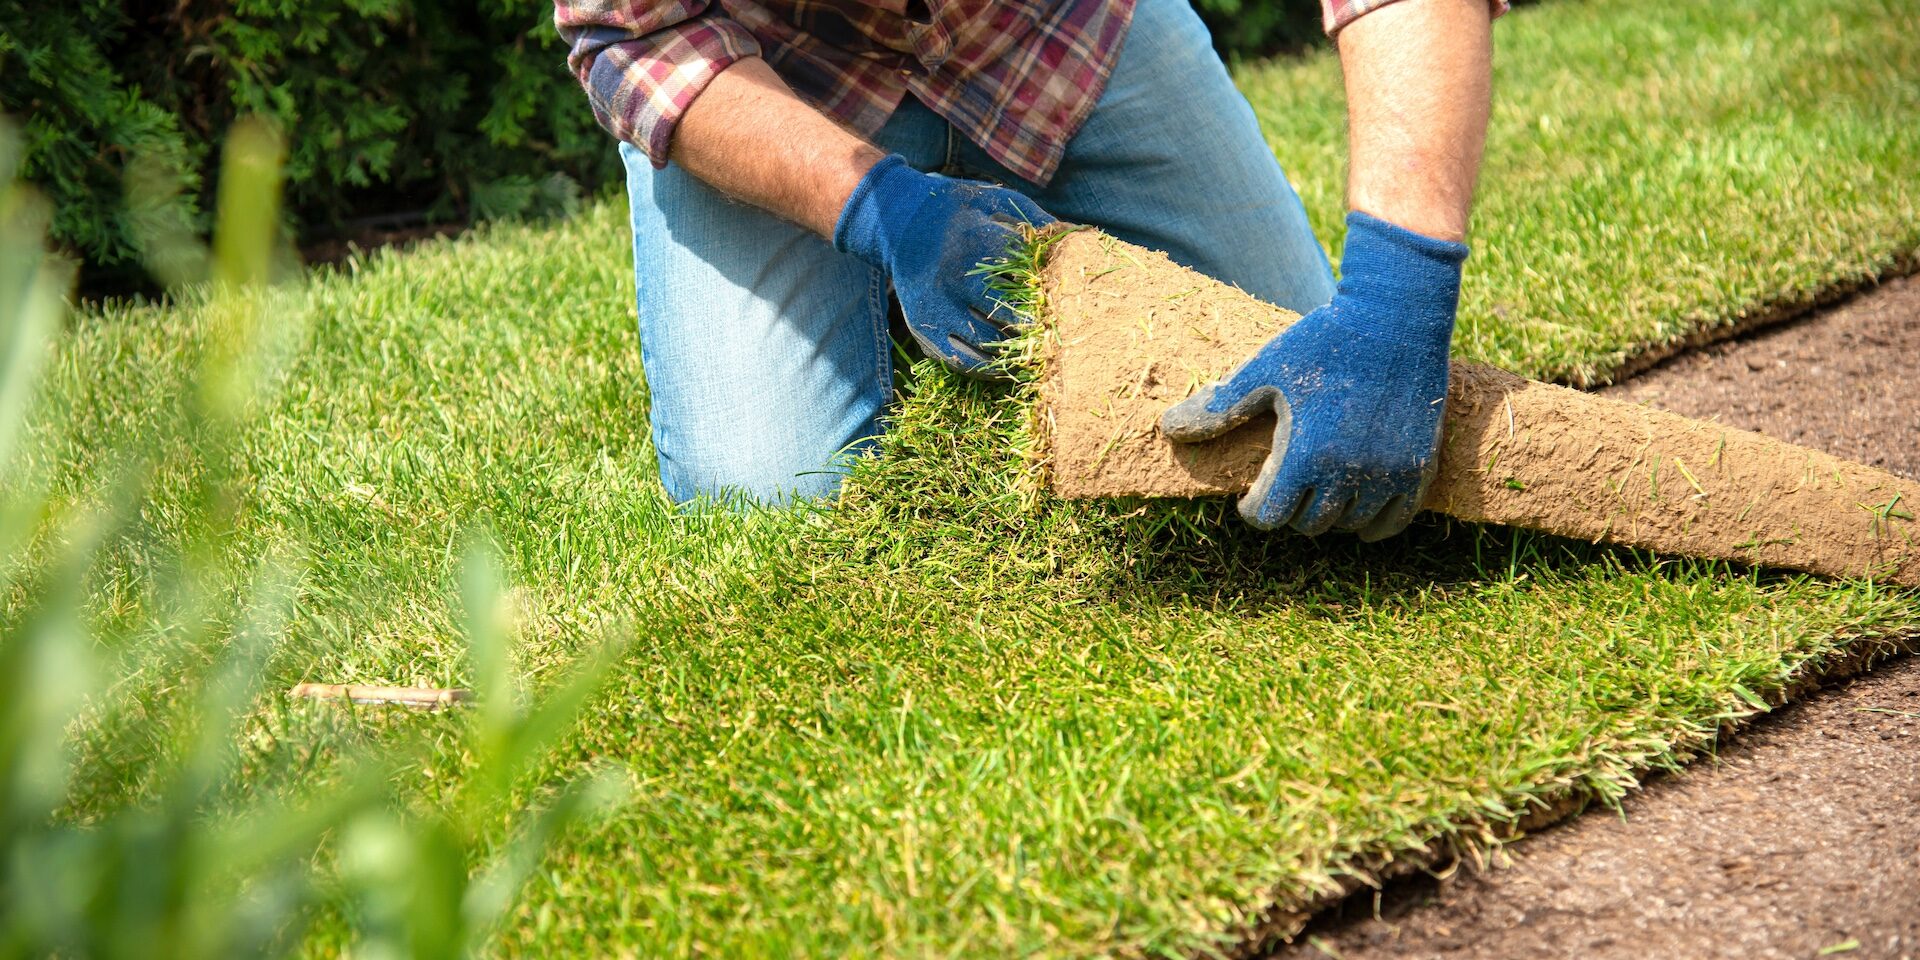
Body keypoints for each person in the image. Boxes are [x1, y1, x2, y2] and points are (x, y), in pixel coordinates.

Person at [555, 0, 1501, 539]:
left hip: (1050, 29)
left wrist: (1397, 290)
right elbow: (638, 38)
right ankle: (878, 257)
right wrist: (885, 214)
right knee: (767, 496)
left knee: (1289, 374)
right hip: (781, 71)